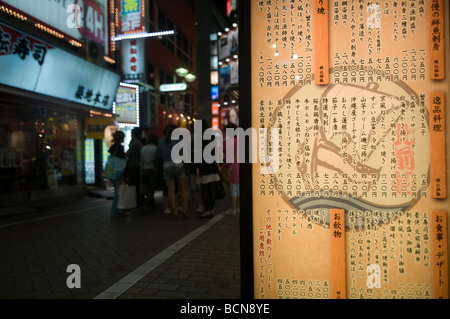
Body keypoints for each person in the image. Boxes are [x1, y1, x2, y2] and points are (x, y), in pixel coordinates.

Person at [157, 124, 188, 219]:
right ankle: (184, 210)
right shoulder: (179, 141)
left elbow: (159, 155)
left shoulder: (161, 142)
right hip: (178, 165)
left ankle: (174, 211)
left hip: (167, 166)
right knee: (183, 190)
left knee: (171, 190)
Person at [195, 120, 221, 219]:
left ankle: (207, 211)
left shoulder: (199, 139)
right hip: (212, 166)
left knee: (205, 190)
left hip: (203, 167)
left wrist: (197, 168)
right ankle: (212, 210)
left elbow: (198, 155)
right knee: (212, 189)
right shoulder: (212, 137)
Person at [222, 123, 240, 215]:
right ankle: (238, 208)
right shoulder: (240, 141)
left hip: (231, 168)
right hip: (240, 166)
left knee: (233, 189)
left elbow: (220, 150)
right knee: (238, 188)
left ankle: (233, 209)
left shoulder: (228, 142)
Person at [124, 127, 143, 210]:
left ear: (133, 134)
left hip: (133, 167)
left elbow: (127, 153)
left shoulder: (135, 144)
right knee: (136, 185)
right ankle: (138, 203)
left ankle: (135, 203)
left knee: (133, 185)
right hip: (137, 166)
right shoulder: (139, 143)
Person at [109, 130, 126, 218]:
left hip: (112, 172)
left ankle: (117, 210)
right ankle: (114, 211)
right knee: (118, 192)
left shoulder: (112, 147)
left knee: (117, 191)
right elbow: (122, 160)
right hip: (118, 172)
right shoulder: (120, 148)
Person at [140, 134, 158, 211]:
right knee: (152, 188)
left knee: (147, 188)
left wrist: (140, 170)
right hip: (153, 169)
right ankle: (149, 202)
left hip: (144, 169)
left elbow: (141, 160)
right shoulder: (155, 148)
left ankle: (151, 203)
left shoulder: (143, 148)